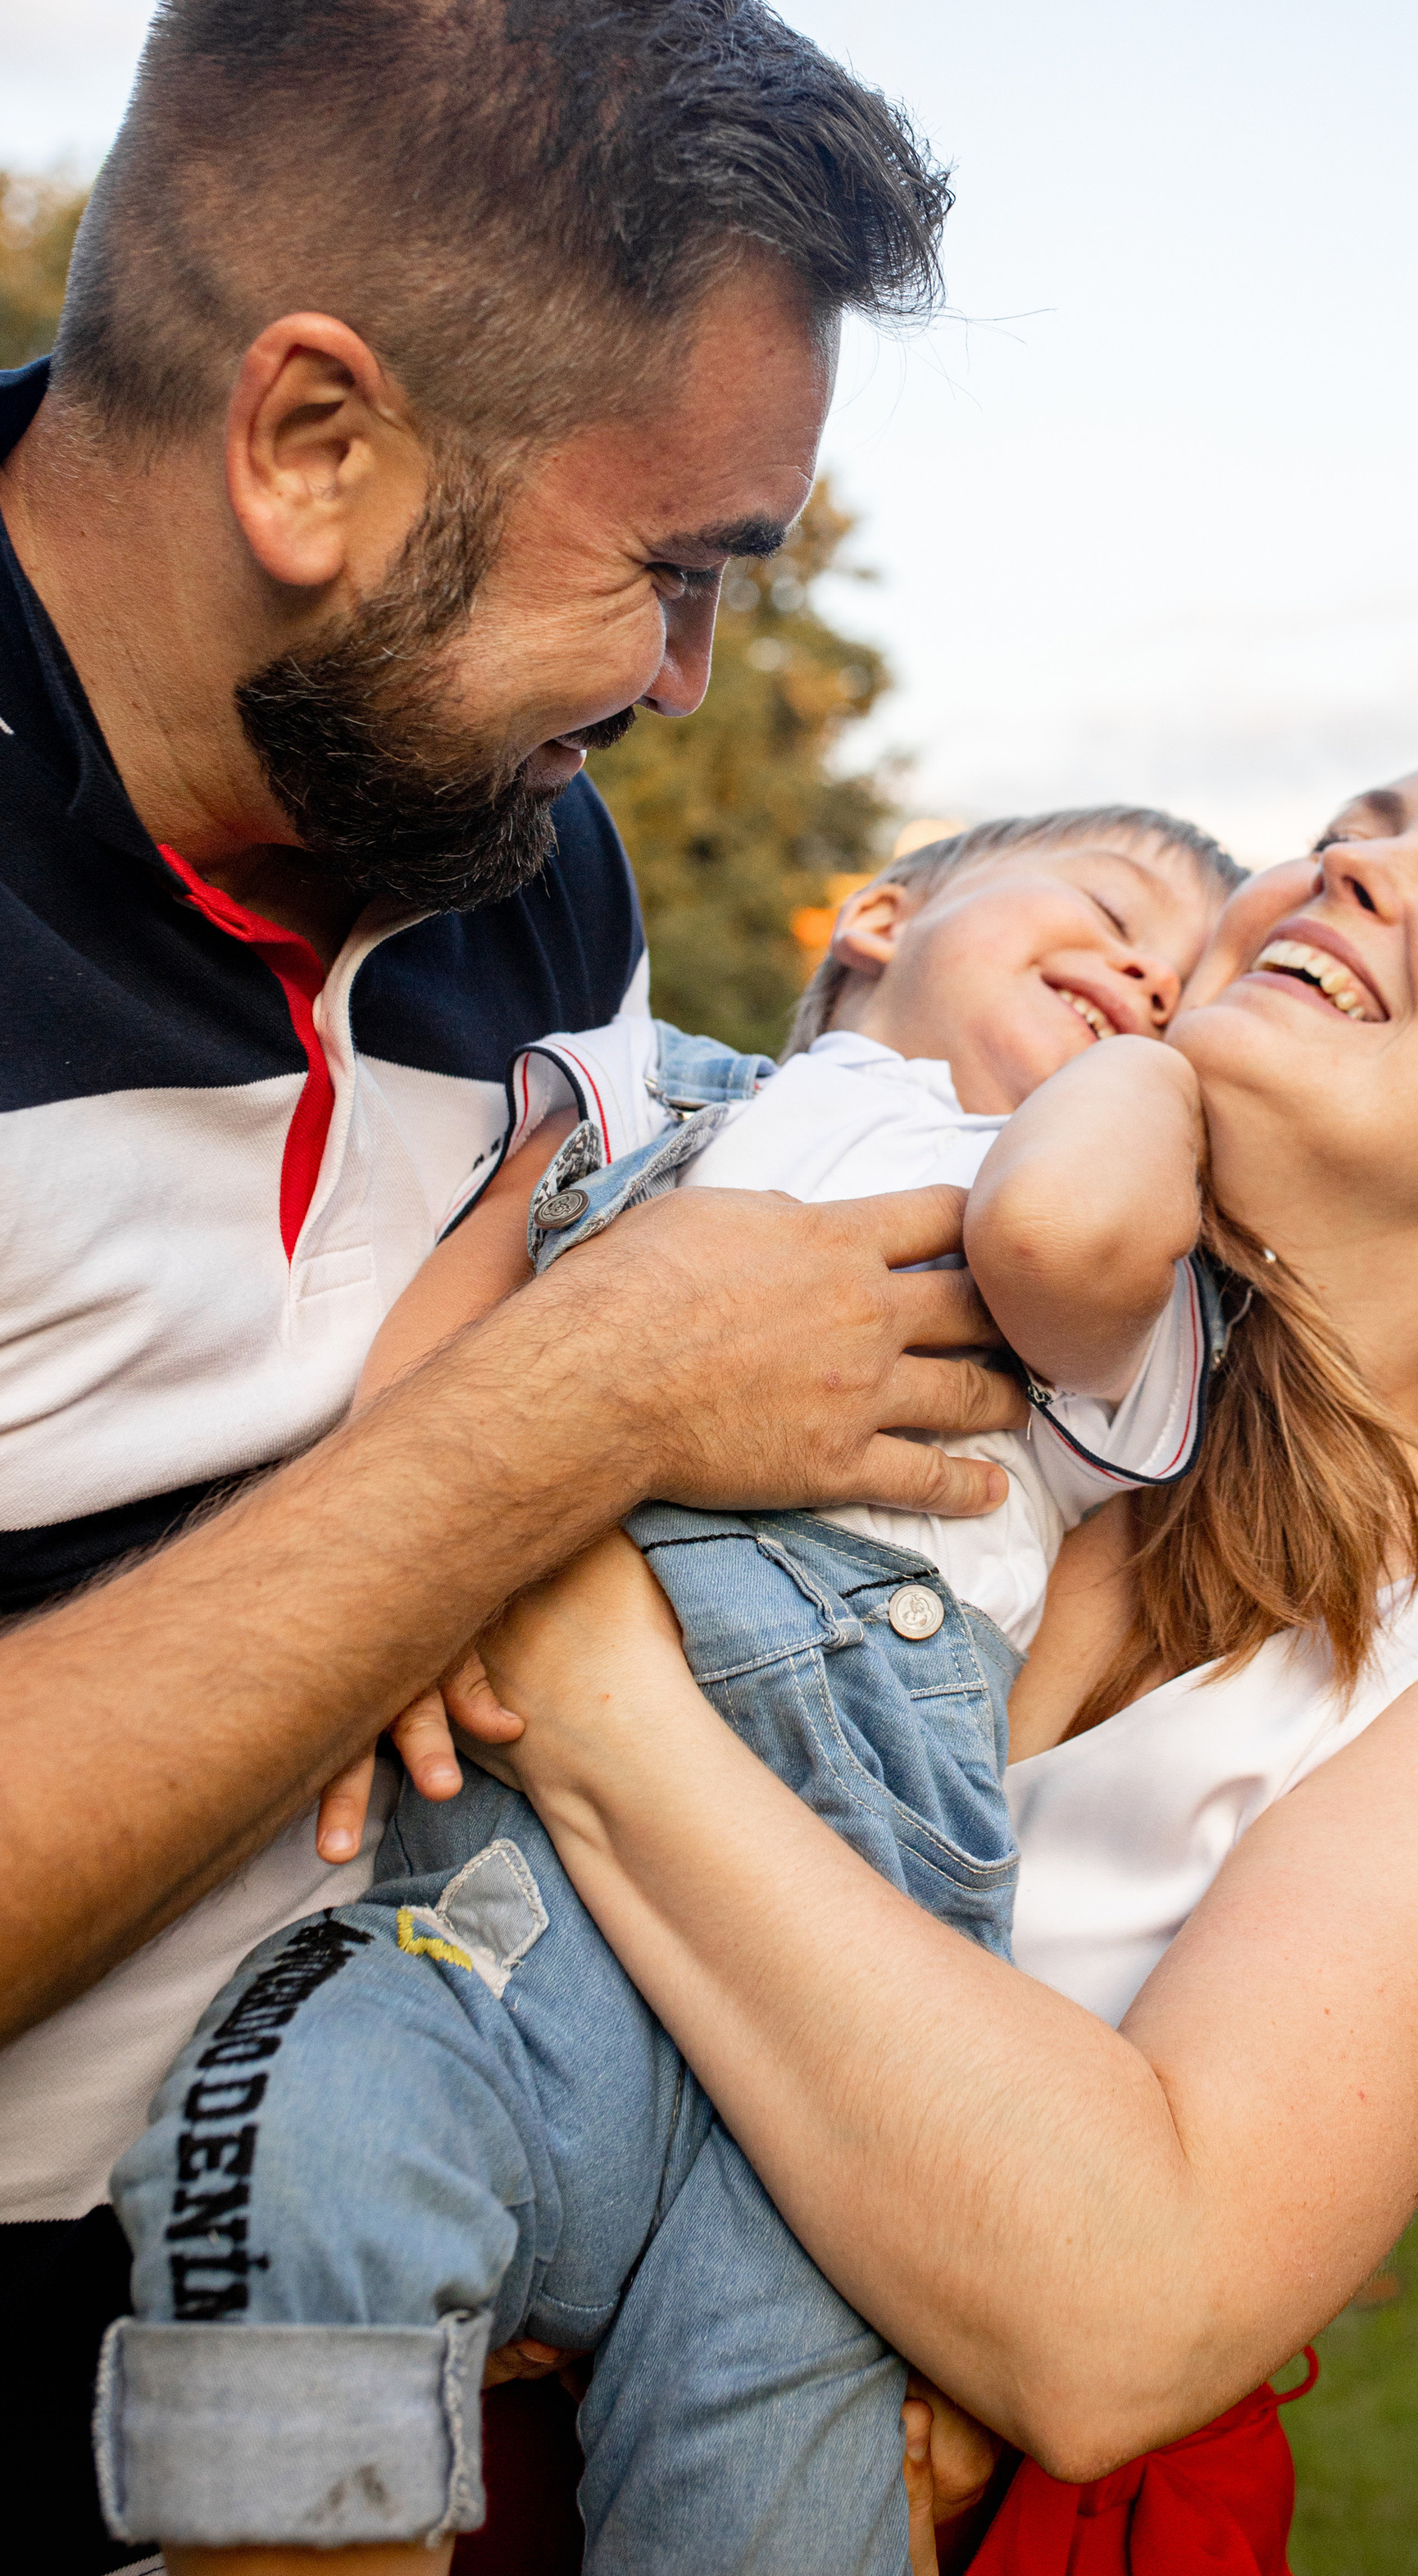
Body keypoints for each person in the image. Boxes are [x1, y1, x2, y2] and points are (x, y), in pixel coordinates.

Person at [341, 746, 1418, 2576]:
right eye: (1343, 836)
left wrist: (593, 1692)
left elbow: (1124, 2317)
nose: (1349, 869)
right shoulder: (908, 1257)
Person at [0, 0, 1026, 2573]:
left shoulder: (523, 863)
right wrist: (586, 1397)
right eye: (671, 571)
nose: (687, 681)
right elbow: (583, 1410)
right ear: (312, 442)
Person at [98, 806, 1245, 2571]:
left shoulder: (1128, 1279)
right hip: (499, 1919)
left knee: (766, 2492)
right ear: (878, 914)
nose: (1150, 975)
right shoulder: (648, 1089)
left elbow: (1063, 1229)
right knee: (292, 2139)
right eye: (1112, 907)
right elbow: (455, 1327)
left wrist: (1150, 1081)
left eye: (1190, 985)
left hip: (833, 2038)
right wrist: (402, 1573)